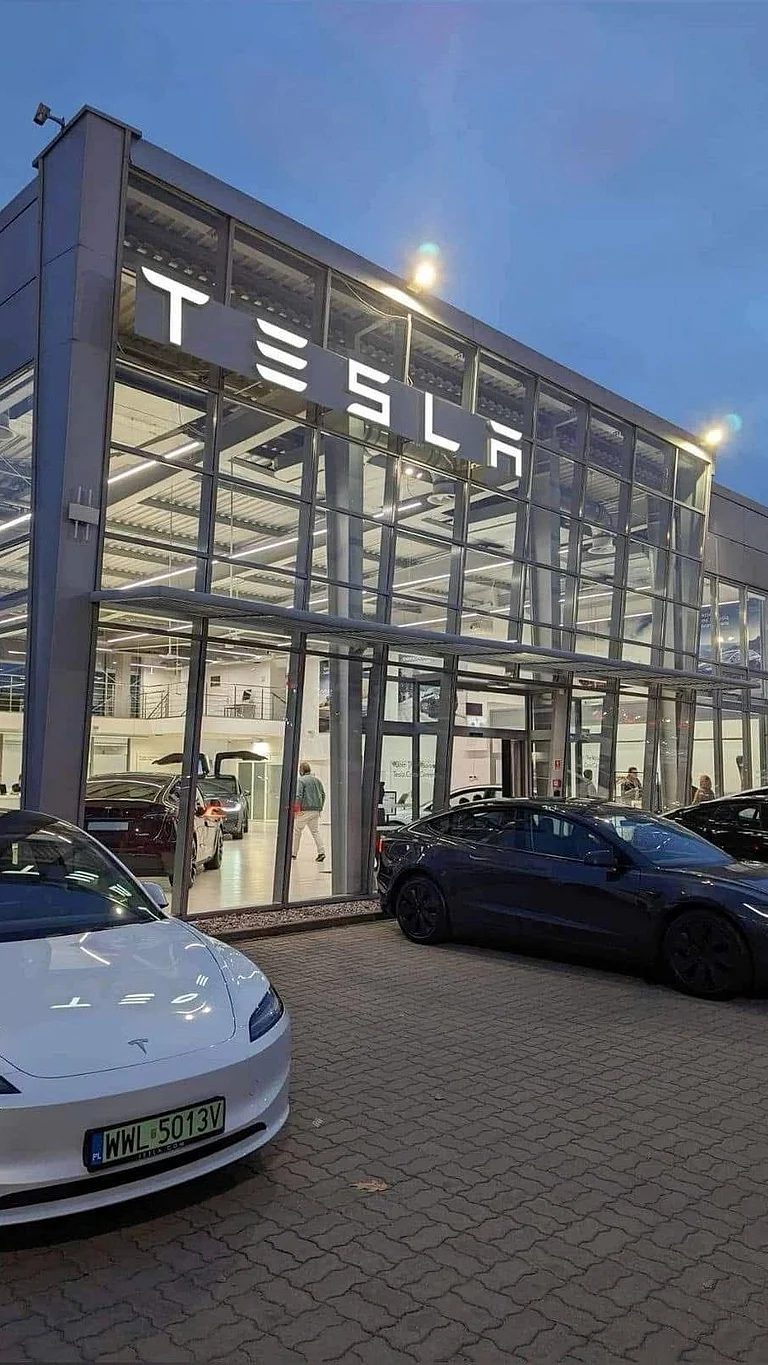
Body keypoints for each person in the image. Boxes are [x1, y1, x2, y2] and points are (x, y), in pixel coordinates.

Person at [292, 761, 326, 862]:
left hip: (304, 810)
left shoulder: (301, 780)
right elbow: (323, 794)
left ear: (302, 770)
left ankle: (293, 853)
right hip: (316, 811)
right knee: (315, 832)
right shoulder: (317, 780)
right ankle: (321, 852)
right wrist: (320, 807)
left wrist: (296, 809)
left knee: (297, 831)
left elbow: (298, 795)